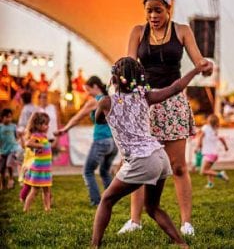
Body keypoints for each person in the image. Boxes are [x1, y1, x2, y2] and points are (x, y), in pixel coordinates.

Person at [119, 0, 213, 235]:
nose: (153, 16)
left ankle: (186, 223)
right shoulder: (138, 32)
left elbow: (199, 61)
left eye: (158, 10)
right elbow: (129, 66)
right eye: (149, 11)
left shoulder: (182, 31)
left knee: (178, 165)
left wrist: (207, 67)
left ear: (168, 9)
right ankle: (135, 221)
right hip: (144, 103)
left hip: (173, 103)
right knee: (140, 163)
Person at [91, 57, 207, 247]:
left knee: (106, 200)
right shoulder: (145, 97)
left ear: (114, 78)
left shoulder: (105, 102)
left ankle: (94, 246)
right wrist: (196, 70)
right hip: (160, 157)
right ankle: (182, 244)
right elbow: (176, 87)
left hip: (140, 160)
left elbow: (99, 120)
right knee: (152, 207)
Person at [55, 76, 117, 206]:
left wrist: (65, 129)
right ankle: (112, 200)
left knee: (88, 171)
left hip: (101, 140)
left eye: (88, 90)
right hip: (113, 142)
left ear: (95, 87)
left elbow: (78, 117)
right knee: (104, 171)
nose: (87, 93)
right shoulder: (111, 100)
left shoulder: (95, 101)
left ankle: (96, 201)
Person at [23, 112, 53, 212]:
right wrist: (38, 145)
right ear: (38, 125)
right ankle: (26, 209)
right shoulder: (36, 136)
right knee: (34, 191)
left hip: (46, 169)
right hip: (39, 169)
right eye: (45, 124)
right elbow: (28, 143)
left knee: (47, 190)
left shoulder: (43, 136)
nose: (47, 126)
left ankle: (47, 209)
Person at [197, 114, 229, 188]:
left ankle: (220, 174)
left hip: (208, 153)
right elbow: (222, 139)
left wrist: (198, 146)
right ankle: (210, 183)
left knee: (203, 171)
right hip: (214, 154)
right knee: (208, 169)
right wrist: (226, 147)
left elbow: (200, 137)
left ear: (208, 121)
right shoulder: (216, 130)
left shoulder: (205, 128)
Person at [0, 108, 20, 190]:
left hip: (12, 150)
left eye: (10, 117)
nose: (9, 119)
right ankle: (3, 183)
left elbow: (16, 137)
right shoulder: (0, 127)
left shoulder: (13, 126)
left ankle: (11, 179)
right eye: (7, 117)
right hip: (3, 150)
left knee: (9, 164)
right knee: (1, 169)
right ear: (2, 117)